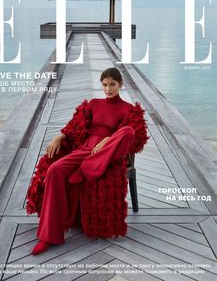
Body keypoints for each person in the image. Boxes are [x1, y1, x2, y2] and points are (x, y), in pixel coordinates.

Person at [27, 67, 149, 255]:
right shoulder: (94, 104)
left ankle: (88, 167)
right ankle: (48, 236)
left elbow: (134, 138)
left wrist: (109, 139)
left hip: (109, 153)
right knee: (55, 170)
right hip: (85, 149)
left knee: (127, 131)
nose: (108, 89)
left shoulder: (128, 109)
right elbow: (75, 125)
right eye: (105, 85)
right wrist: (59, 136)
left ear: (120, 85)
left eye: (112, 85)